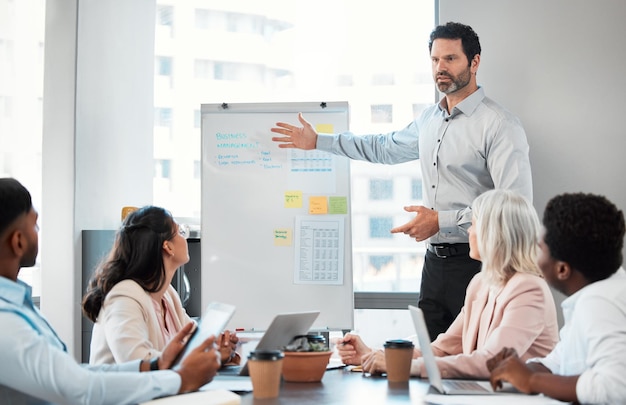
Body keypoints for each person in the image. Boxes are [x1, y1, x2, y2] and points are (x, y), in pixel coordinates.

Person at [270, 22, 533, 340]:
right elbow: (383, 147)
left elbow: (515, 207)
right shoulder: (429, 120)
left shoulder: (500, 125)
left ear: (474, 62)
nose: (440, 68)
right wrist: (319, 142)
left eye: (451, 59)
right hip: (434, 265)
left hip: (481, 263)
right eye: (435, 60)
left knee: (477, 363)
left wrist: (441, 221)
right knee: (432, 361)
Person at [0, 177, 221, 404]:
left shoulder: (19, 306)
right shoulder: (6, 319)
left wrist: (155, 366)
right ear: (18, 241)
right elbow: (79, 389)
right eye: (35, 224)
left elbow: (78, 374)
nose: (39, 231)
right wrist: (179, 378)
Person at [337, 189, 558, 379]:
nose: (469, 232)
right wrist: (372, 355)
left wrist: (406, 367)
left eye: (474, 225)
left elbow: (493, 361)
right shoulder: (480, 284)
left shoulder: (529, 289)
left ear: (494, 235)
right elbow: (443, 349)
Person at [487, 193, 626, 404]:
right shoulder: (599, 291)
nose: (535, 255)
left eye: (540, 248)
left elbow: (615, 387)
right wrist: (519, 369)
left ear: (562, 269)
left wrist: (533, 380)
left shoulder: (599, 303)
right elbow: (561, 361)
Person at [82, 206, 241, 367]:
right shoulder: (124, 297)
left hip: (163, 390)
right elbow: (137, 363)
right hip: (128, 391)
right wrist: (204, 357)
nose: (184, 238)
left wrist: (216, 348)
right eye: (180, 232)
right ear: (168, 247)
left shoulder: (167, 294)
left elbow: (194, 342)